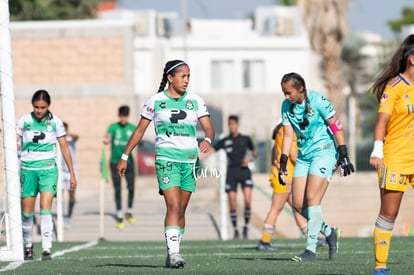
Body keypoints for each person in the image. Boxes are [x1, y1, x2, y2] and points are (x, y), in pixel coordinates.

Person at [117, 59, 214, 268]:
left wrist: (207, 139)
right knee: (173, 205)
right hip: (166, 160)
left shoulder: (196, 101)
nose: (186, 80)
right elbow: (140, 131)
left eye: (188, 76)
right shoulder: (155, 101)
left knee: (181, 211)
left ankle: (172, 252)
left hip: (190, 162)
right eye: (182, 76)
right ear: (170, 78)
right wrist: (125, 156)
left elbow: (209, 128)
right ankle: (175, 254)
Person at [279, 72, 354, 262]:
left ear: (301, 90)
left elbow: (336, 126)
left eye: (289, 93)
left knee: (312, 198)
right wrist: (283, 160)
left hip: (325, 152)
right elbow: (288, 135)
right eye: (284, 92)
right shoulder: (286, 106)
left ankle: (310, 250)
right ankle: (329, 233)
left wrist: (343, 152)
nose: (286, 97)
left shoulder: (318, 100)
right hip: (304, 157)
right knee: (297, 204)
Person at [369, 34, 414, 275]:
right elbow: (381, 120)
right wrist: (377, 149)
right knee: (390, 213)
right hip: (395, 157)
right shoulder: (394, 87)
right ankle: (380, 267)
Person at [17, 89, 77, 261]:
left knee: (45, 208)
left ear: (48, 106)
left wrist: (72, 173)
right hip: (28, 170)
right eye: (36, 107)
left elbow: (65, 148)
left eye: (42, 107)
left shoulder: (55, 122)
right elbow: (12, 139)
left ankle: (46, 248)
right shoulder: (24, 120)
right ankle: (28, 246)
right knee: (27, 213)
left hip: (48, 169)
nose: (39, 110)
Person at [256, 122, 327, 251]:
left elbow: (274, 152)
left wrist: (275, 169)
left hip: (282, 175)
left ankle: (311, 237)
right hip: (286, 177)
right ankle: (264, 242)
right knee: (276, 208)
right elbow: (294, 155)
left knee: (297, 207)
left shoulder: (279, 131)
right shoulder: (289, 131)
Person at [203, 115, 256, 240]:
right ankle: (236, 230)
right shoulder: (225, 140)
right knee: (232, 202)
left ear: (237, 125)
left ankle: (246, 226)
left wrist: (250, 160)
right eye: (230, 124)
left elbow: (254, 153)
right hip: (232, 171)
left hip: (244, 171)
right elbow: (211, 151)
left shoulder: (245, 139)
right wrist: (197, 158)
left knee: (247, 200)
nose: (232, 126)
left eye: (234, 124)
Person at [103, 105, 137, 230]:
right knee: (117, 188)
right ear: (119, 116)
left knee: (131, 187)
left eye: (125, 116)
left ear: (127, 117)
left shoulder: (132, 128)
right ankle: (119, 214)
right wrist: (106, 140)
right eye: (121, 116)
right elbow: (107, 137)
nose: (123, 119)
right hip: (115, 162)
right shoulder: (113, 127)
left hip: (129, 162)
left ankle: (129, 211)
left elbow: (137, 139)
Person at [61, 122, 79, 229]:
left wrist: (67, 133)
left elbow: (77, 136)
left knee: (71, 195)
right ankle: (60, 214)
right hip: (60, 171)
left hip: (71, 171)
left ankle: (68, 216)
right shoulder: (56, 139)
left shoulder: (70, 139)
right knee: (57, 194)